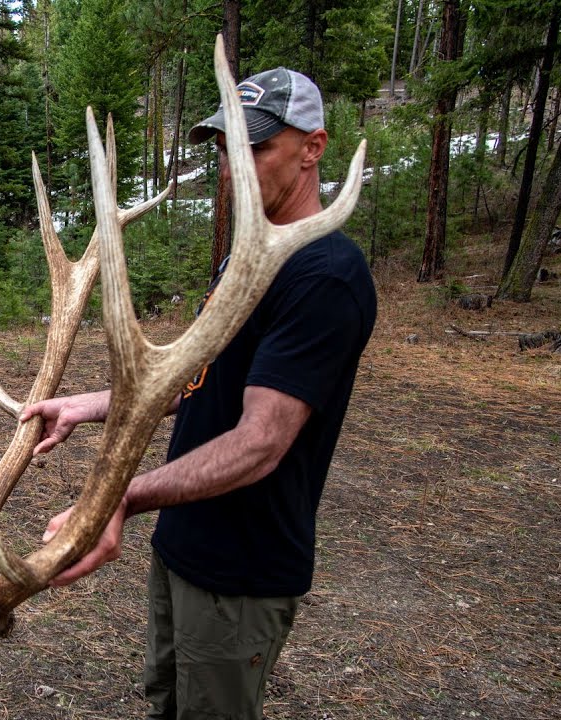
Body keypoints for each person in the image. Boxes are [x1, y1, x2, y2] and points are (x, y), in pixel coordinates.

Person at [22, 67, 377, 720]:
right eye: (224, 149)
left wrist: (120, 498)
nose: (232, 168)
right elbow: (199, 381)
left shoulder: (325, 275)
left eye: (256, 147)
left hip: (239, 575)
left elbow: (259, 442)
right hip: (183, 546)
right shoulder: (249, 260)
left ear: (314, 147)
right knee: (166, 703)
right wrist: (89, 404)